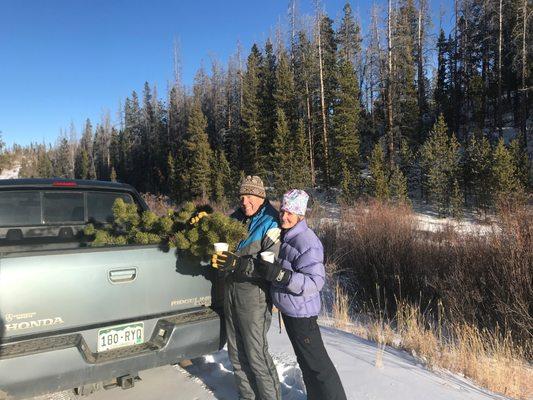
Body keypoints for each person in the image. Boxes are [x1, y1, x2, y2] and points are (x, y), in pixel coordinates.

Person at [256, 189, 347, 400]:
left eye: (290, 213)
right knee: (306, 364)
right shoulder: (287, 236)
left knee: (319, 367)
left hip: (302, 315)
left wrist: (281, 276)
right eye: (283, 211)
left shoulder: (307, 241)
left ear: (301, 215)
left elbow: (315, 282)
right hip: (291, 311)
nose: (284, 216)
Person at [211, 175, 282, 400]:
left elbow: (269, 266)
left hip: (254, 294)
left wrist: (238, 263)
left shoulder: (271, 222)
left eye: (250, 196)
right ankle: (247, 396)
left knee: (256, 355)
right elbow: (217, 239)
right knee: (236, 353)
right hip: (231, 290)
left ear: (260, 197)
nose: (245, 202)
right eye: (242, 197)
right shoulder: (235, 219)